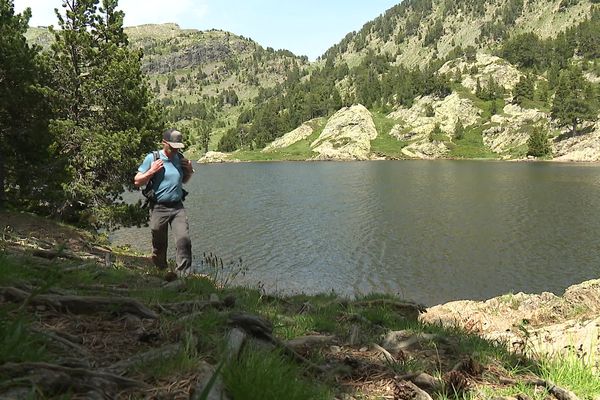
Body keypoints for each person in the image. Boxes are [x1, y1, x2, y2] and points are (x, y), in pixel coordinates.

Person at [134, 128, 194, 272]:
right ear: (164, 143)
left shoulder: (180, 158)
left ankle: (182, 275)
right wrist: (151, 171)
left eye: (177, 147)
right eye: (172, 146)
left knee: (183, 240)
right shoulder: (152, 158)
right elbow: (137, 181)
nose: (175, 150)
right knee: (159, 244)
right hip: (158, 207)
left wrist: (189, 171)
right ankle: (161, 270)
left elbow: (183, 181)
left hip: (177, 207)